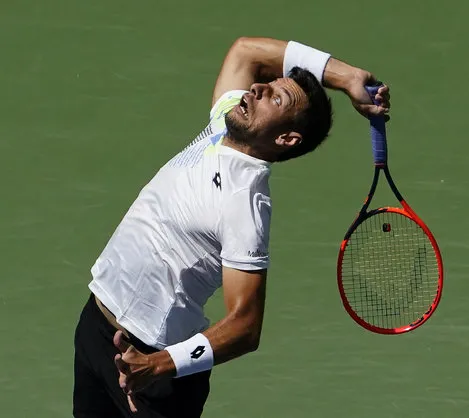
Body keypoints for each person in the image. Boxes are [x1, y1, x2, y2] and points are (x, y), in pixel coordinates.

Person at [73, 36, 391, 418]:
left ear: (286, 138)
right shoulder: (222, 126)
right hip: (97, 326)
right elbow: (247, 51)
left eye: (275, 99)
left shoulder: (246, 203)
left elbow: (246, 326)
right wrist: (347, 76)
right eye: (268, 86)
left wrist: (157, 365)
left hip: (152, 368)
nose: (258, 88)